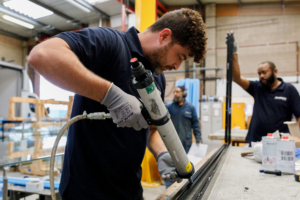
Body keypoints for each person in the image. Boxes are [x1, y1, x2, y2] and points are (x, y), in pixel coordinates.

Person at [28, 8, 207, 200]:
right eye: (180, 56)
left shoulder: (157, 79)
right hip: (86, 191)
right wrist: (111, 96)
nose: (177, 67)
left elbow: (152, 129)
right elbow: (42, 55)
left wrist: (162, 153)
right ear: (164, 36)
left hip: (130, 191)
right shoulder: (111, 43)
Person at [232, 36, 300, 143]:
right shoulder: (257, 87)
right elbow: (236, 78)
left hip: (280, 143)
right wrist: (233, 53)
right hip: (256, 142)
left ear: (275, 71)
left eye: (264, 72)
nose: (261, 76)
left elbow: (298, 115)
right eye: (259, 74)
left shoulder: (289, 90)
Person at [167, 86, 202, 153]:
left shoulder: (190, 108)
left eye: (177, 92)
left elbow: (196, 125)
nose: (175, 94)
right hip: (173, 141)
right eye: (174, 92)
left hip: (186, 142)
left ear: (183, 93)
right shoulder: (169, 108)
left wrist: (198, 139)